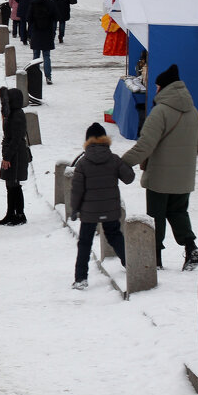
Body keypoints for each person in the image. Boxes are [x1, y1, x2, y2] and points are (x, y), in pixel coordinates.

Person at [120, 64, 198, 271]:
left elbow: (145, 145)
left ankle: (155, 258)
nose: (156, 90)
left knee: (156, 216)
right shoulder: (193, 111)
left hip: (160, 176)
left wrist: (122, 163)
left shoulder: (160, 112)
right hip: (184, 175)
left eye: (157, 86)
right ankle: (190, 246)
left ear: (164, 87)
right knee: (178, 212)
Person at [69, 123, 134, 290]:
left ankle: (81, 278)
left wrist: (74, 209)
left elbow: (77, 190)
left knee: (85, 243)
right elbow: (129, 178)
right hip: (110, 209)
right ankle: (130, 265)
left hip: (89, 212)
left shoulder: (82, 163)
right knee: (115, 236)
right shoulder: (114, 159)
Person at [0, 87, 32, 226]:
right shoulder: (12, 114)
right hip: (12, 153)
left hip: (16, 155)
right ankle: (10, 213)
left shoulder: (17, 115)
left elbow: (16, 139)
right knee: (10, 184)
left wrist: (7, 157)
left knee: (14, 184)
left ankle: (19, 214)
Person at [27, 0, 56, 85]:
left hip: (36, 31)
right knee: (46, 55)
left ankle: (35, 76)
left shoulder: (33, 3)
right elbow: (55, 17)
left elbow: (28, 18)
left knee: (36, 54)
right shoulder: (50, 3)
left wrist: (29, 32)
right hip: (47, 32)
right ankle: (48, 76)